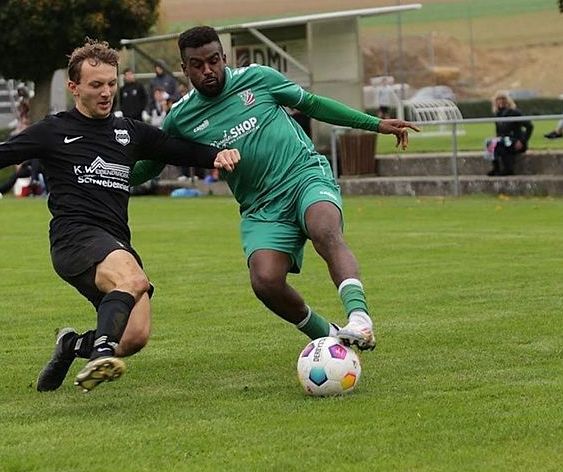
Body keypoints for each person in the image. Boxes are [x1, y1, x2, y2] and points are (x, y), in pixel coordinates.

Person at [0, 39, 241, 393]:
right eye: (96, 85)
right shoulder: (54, 131)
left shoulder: (128, 132)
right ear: (74, 87)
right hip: (75, 239)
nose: (106, 93)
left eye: (112, 84)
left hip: (115, 241)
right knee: (133, 280)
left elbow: (179, 149)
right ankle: (100, 354)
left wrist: (216, 156)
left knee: (134, 337)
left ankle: (72, 345)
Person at [131, 26, 419, 352]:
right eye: (197, 65)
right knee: (265, 281)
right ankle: (331, 337)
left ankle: (360, 320)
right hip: (261, 207)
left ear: (224, 58)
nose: (208, 70)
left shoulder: (259, 79)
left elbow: (312, 104)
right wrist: (111, 176)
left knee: (324, 228)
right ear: (184, 69)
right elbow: (152, 165)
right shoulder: (180, 117)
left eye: (214, 61)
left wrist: (375, 123)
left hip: (303, 176)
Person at [486, 91, 533, 176]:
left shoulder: (514, 113)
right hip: (504, 140)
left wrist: (522, 141)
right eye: (498, 99)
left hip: (516, 141)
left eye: (503, 99)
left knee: (501, 145)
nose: (501, 101)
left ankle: (508, 169)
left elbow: (529, 126)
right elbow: (499, 132)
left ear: (507, 100)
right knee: (491, 143)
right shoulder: (497, 115)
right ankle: (496, 168)